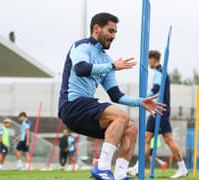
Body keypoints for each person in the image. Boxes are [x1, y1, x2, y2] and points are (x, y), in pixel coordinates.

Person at [58, 12, 166, 180]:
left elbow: (115, 95)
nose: (114, 36)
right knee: (121, 116)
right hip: (72, 105)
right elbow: (81, 68)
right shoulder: (81, 46)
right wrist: (112, 66)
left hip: (85, 111)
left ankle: (120, 175)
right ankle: (101, 168)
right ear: (96, 28)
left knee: (131, 128)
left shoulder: (106, 59)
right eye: (110, 31)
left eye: (115, 32)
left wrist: (140, 102)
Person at [129, 50, 188, 178]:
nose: (148, 62)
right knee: (148, 138)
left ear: (153, 59)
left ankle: (182, 168)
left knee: (166, 139)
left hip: (159, 110)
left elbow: (156, 89)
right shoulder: (162, 72)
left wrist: (143, 97)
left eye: (148, 59)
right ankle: (138, 167)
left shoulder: (159, 71)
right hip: (159, 109)